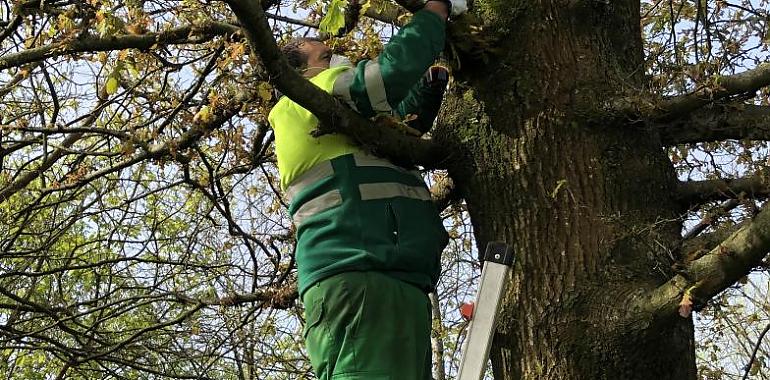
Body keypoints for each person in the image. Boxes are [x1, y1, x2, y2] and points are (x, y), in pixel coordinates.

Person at [267, 1, 467, 379]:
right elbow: (384, 78)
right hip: (359, 270)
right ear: (303, 71)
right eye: (327, 55)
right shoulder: (309, 94)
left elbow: (395, 132)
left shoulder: (344, 123)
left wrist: (426, 92)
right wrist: (435, 12)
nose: (340, 57)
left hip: (390, 274)